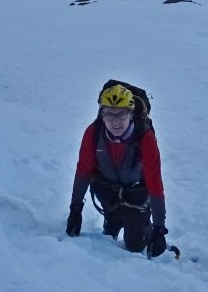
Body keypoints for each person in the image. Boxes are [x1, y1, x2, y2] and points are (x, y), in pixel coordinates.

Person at [66, 81, 168, 257]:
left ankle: (145, 228)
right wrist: (75, 209)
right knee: (110, 231)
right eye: (109, 114)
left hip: (136, 194)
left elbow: (154, 183)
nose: (115, 121)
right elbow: (83, 170)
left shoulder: (145, 137)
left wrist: (159, 229)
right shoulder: (93, 132)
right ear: (102, 114)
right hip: (107, 192)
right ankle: (114, 218)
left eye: (121, 114)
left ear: (131, 114)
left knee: (134, 246)